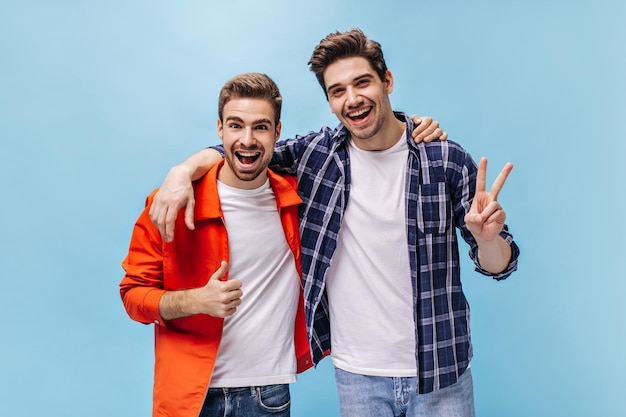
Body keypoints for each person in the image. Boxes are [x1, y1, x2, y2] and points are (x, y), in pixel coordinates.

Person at [150, 29, 520, 417]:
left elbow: (500, 264)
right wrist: (181, 171)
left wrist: (487, 239)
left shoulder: (443, 159)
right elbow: (244, 148)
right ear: (329, 102)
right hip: (357, 374)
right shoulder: (317, 156)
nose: (353, 99)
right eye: (338, 90)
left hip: (442, 370)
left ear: (387, 81)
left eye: (362, 83)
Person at [119, 72, 313, 417]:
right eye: (236, 126)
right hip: (189, 396)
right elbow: (133, 296)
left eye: (261, 127)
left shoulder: (300, 199)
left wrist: (414, 129)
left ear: (277, 133)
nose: (248, 140)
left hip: (268, 393)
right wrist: (196, 300)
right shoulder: (168, 204)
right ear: (219, 129)